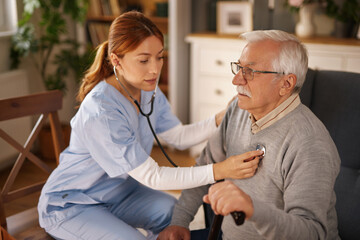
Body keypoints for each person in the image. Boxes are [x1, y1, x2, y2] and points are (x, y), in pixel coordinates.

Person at [37, 11, 263, 240]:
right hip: (74, 204)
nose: (155, 69)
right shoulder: (101, 111)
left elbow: (177, 136)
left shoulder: (148, 90)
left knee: (175, 217)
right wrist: (221, 170)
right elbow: (152, 177)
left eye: (160, 57)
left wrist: (220, 117)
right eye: (144, 60)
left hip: (120, 194)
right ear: (116, 60)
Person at [158, 30, 341, 240]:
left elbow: (311, 233)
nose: (236, 80)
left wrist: (252, 209)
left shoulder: (310, 144)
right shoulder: (238, 109)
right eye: (239, 68)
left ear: (286, 84)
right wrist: (179, 221)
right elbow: (205, 169)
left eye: (250, 72)